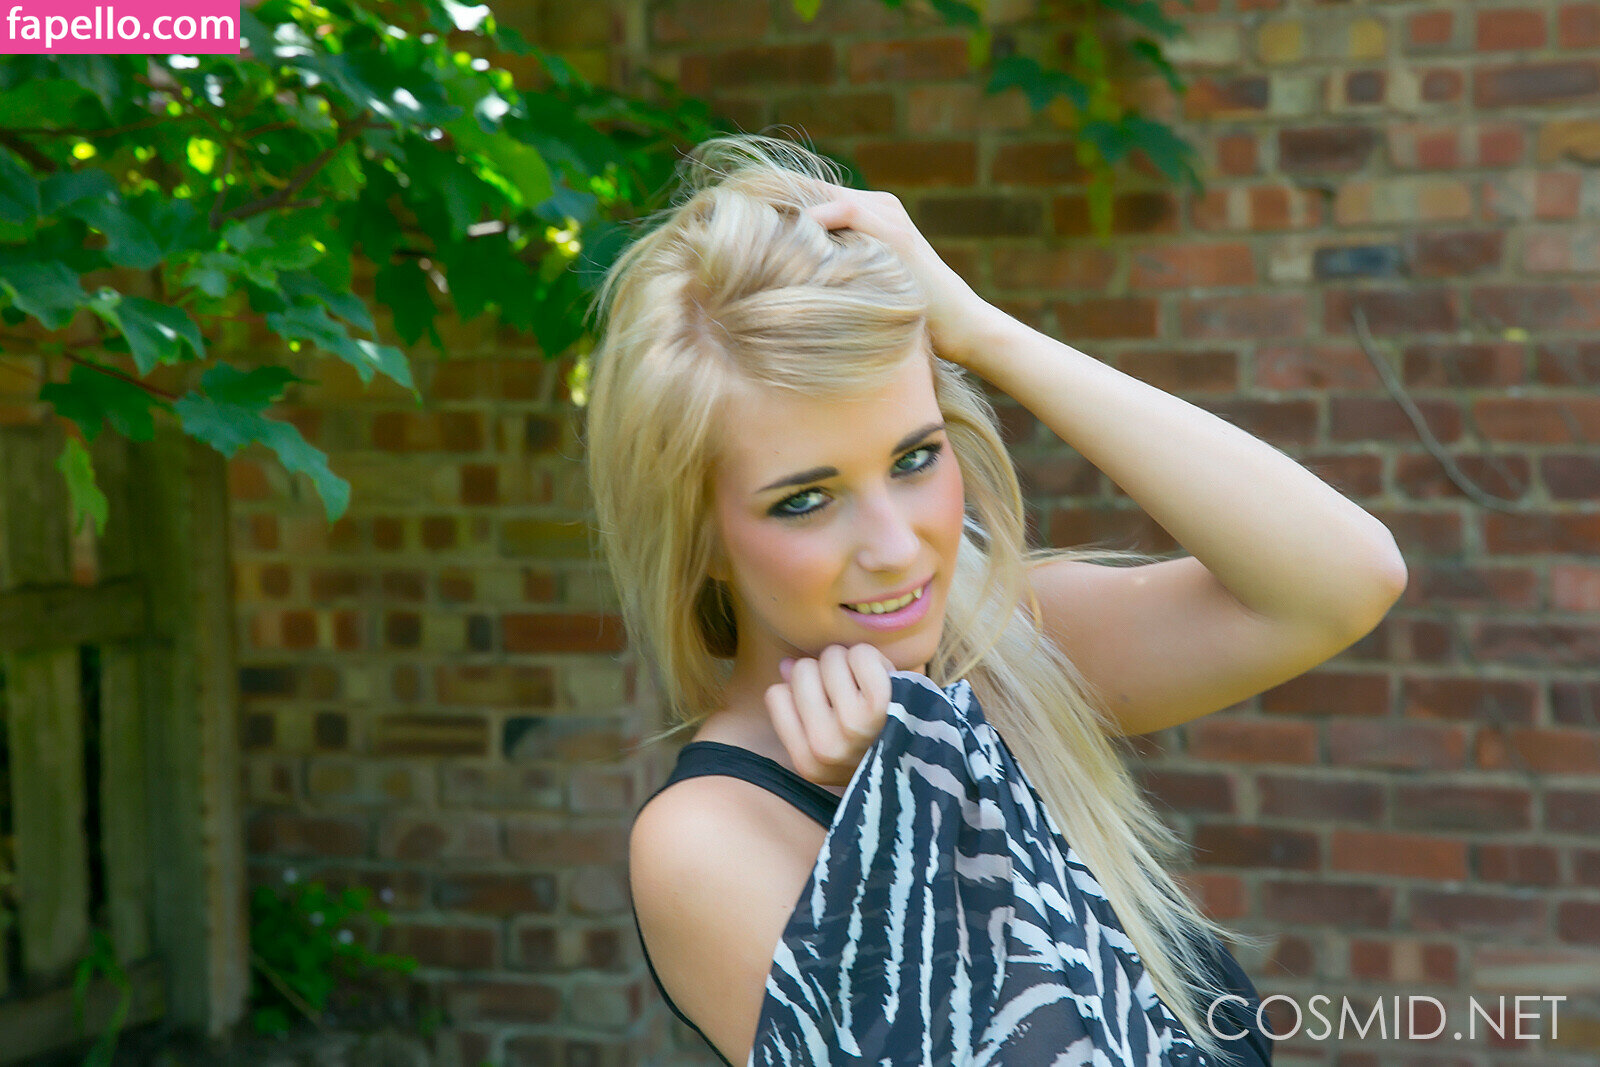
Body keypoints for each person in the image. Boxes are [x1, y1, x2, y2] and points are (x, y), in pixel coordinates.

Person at [583, 133, 1406, 1066]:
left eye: (915, 457)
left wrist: (979, 331)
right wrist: (912, 797)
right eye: (805, 499)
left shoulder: (1009, 646)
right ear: (702, 540)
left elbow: (1346, 580)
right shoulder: (709, 839)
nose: (897, 548)